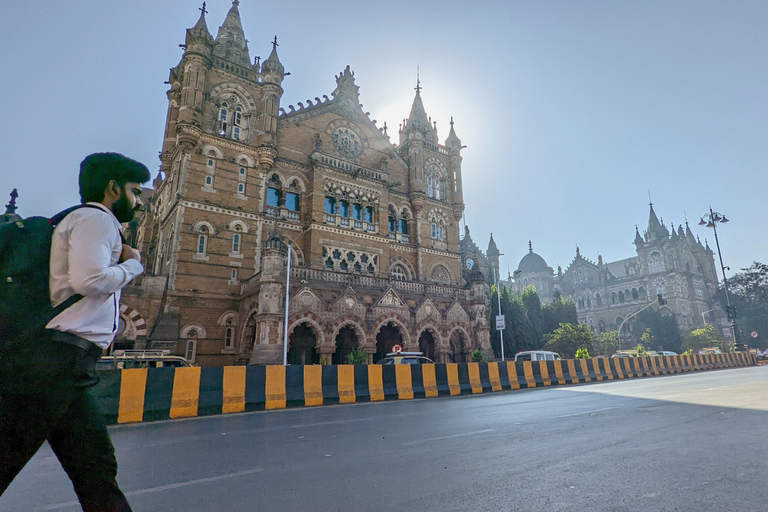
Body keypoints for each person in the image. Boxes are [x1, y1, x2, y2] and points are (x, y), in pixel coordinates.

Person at [0, 153, 150, 511]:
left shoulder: (85, 221)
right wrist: (132, 264)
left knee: (96, 469)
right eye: (134, 191)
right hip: (51, 364)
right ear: (113, 188)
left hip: (66, 366)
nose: (140, 201)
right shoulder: (96, 219)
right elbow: (91, 280)